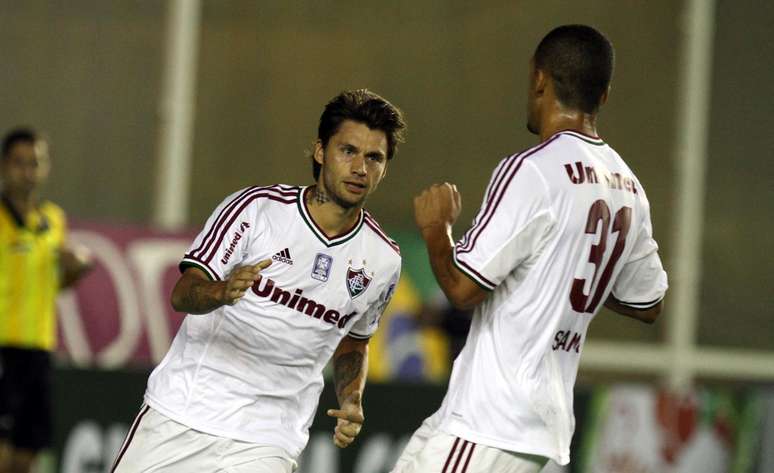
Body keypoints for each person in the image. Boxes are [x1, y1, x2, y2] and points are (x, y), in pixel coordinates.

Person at [392, 25, 668, 473]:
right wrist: (564, 266)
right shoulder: (630, 188)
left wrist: (435, 228)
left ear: (539, 78)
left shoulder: (532, 170)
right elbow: (648, 303)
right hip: (537, 427)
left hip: (491, 421)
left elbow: (462, 290)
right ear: (604, 95)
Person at [111, 89, 405, 472]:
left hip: (269, 439)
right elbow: (183, 293)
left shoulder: (383, 260)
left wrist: (351, 397)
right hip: (183, 414)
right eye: (348, 151)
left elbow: (354, 340)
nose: (360, 168)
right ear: (320, 152)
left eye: (374, 157)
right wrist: (221, 290)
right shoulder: (257, 210)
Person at [0, 127, 93, 473]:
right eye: (19, 163)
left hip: (38, 348)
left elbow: (56, 285)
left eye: (34, 163)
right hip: (3, 346)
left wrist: (75, 269)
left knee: (27, 455)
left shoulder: (53, 219)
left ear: (45, 167)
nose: (27, 172)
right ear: (4, 166)